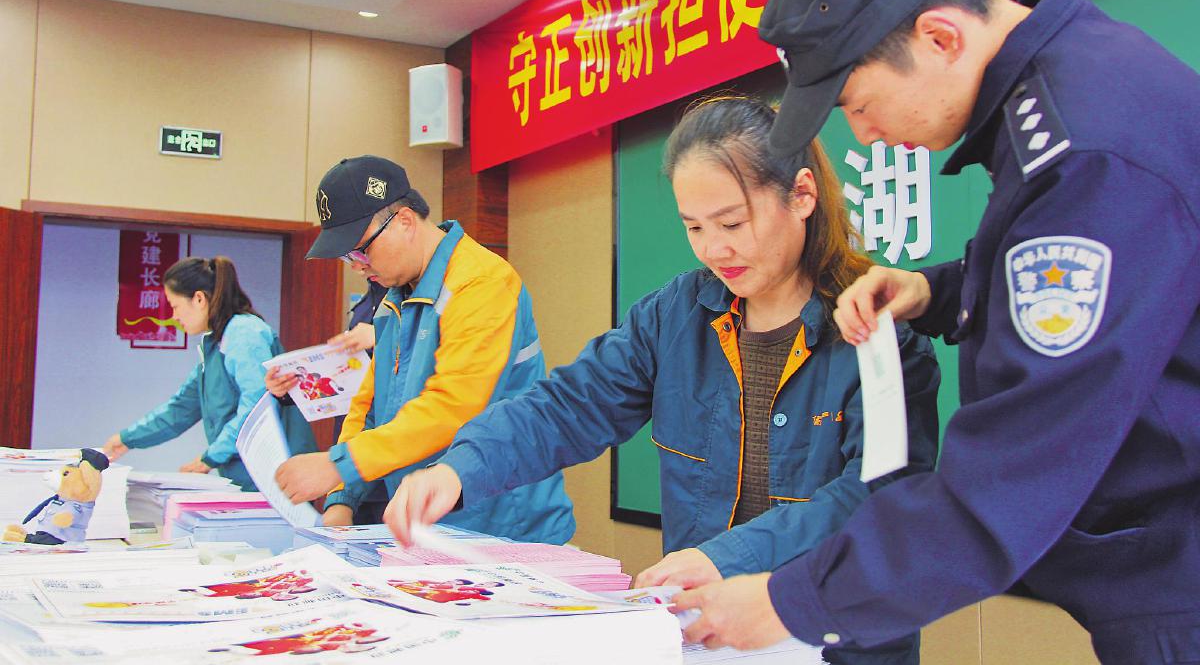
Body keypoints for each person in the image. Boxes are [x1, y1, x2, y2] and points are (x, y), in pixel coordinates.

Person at [669, 0, 1200, 665]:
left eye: (857, 104)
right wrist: (939, 290)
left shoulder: (1084, 153)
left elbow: (1014, 473)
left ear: (940, 37)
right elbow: (1121, 290)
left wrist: (791, 600)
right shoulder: (1077, 85)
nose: (864, 136)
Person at [384, 98, 941, 665]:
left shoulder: (878, 330)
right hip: (709, 642)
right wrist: (461, 468)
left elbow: (878, 494)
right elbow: (570, 405)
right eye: (694, 227)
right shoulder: (676, 315)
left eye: (732, 223)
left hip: (839, 643)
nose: (714, 249)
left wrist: (728, 557)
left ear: (801, 195)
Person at [271, 155, 575, 544]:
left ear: (404, 221)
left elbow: (453, 407)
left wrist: (338, 465)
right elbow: (369, 407)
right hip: (428, 525)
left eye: (360, 251)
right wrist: (341, 500)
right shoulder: (394, 299)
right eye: (348, 257)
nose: (357, 267)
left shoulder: (481, 283)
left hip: (502, 525)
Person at [103, 257, 318, 490]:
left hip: (278, 476)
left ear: (199, 299)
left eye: (175, 306)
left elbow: (256, 407)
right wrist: (127, 438)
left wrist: (210, 458)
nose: (174, 316)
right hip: (249, 477)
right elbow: (181, 408)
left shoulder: (244, 333)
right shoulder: (215, 343)